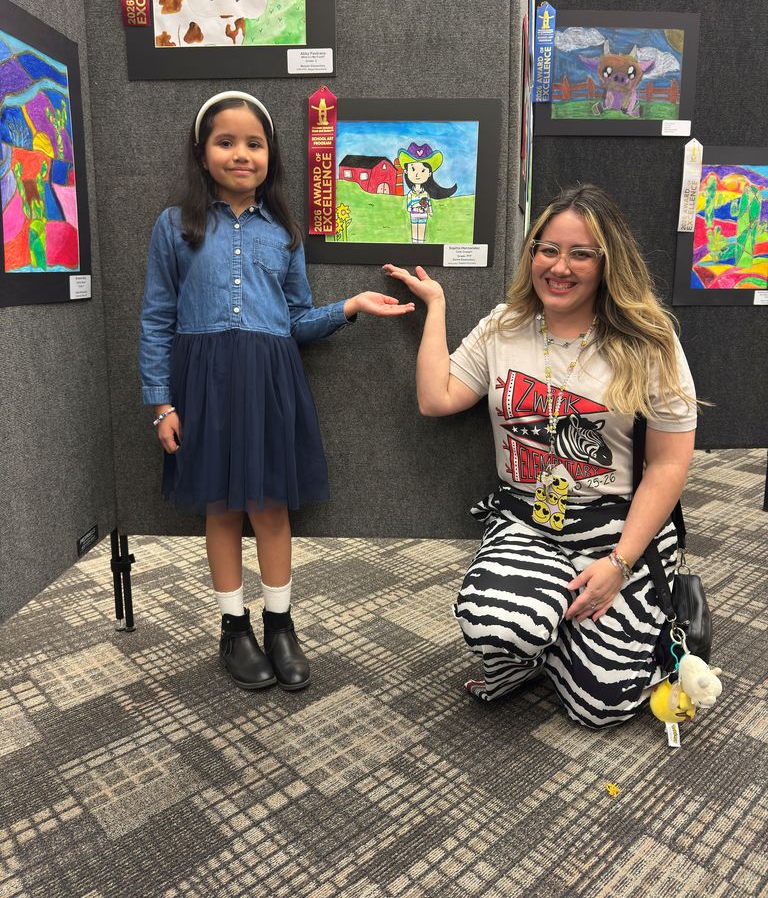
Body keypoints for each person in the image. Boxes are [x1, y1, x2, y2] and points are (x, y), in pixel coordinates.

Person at [384, 184, 698, 729]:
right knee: (495, 623)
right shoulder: (503, 327)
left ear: (608, 262)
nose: (560, 266)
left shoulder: (651, 341)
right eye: (547, 249)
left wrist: (619, 565)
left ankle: (650, 616)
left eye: (581, 253)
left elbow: (670, 465)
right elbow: (436, 398)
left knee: (602, 707)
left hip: (616, 529)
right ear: (532, 254)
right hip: (528, 519)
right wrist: (435, 307)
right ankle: (546, 637)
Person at [140, 91, 414, 693]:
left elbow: (293, 321)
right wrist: (161, 401)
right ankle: (233, 629)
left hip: (270, 381)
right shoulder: (174, 225)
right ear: (201, 151)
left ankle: (280, 622)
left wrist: (349, 306)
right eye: (226, 141)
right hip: (202, 383)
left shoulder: (285, 231)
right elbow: (157, 317)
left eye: (255, 143)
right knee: (222, 506)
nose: (242, 154)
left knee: (270, 507)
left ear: (272, 155)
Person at [397, 142, 457, 244]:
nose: (417, 174)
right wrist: (411, 208)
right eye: (413, 169)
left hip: (423, 216)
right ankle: (414, 242)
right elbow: (408, 206)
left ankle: (421, 243)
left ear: (429, 173)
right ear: (406, 171)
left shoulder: (426, 194)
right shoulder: (410, 194)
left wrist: (430, 211)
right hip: (413, 215)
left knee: (422, 230)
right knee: (414, 230)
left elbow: (428, 203)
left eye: (423, 171)